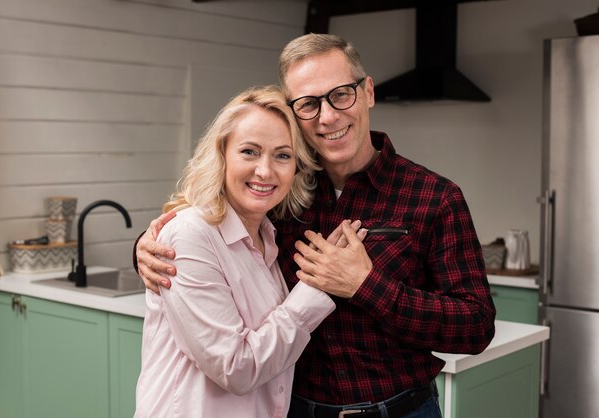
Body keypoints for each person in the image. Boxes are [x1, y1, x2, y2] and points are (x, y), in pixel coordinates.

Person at [135, 34, 496, 418]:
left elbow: (475, 326)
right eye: (308, 104)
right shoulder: (281, 191)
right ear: (295, 113)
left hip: (402, 410)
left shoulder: (434, 197)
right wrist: (145, 245)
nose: (327, 117)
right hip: (296, 410)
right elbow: (208, 226)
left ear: (368, 92)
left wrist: (366, 285)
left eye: (341, 94)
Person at [133, 85, 367, 418]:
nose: (265, 171)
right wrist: (317, 286)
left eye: (282, 155)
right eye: (249, 152)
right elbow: (235, 367)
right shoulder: (190, 235)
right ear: (222, 154)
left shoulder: (269, 236)